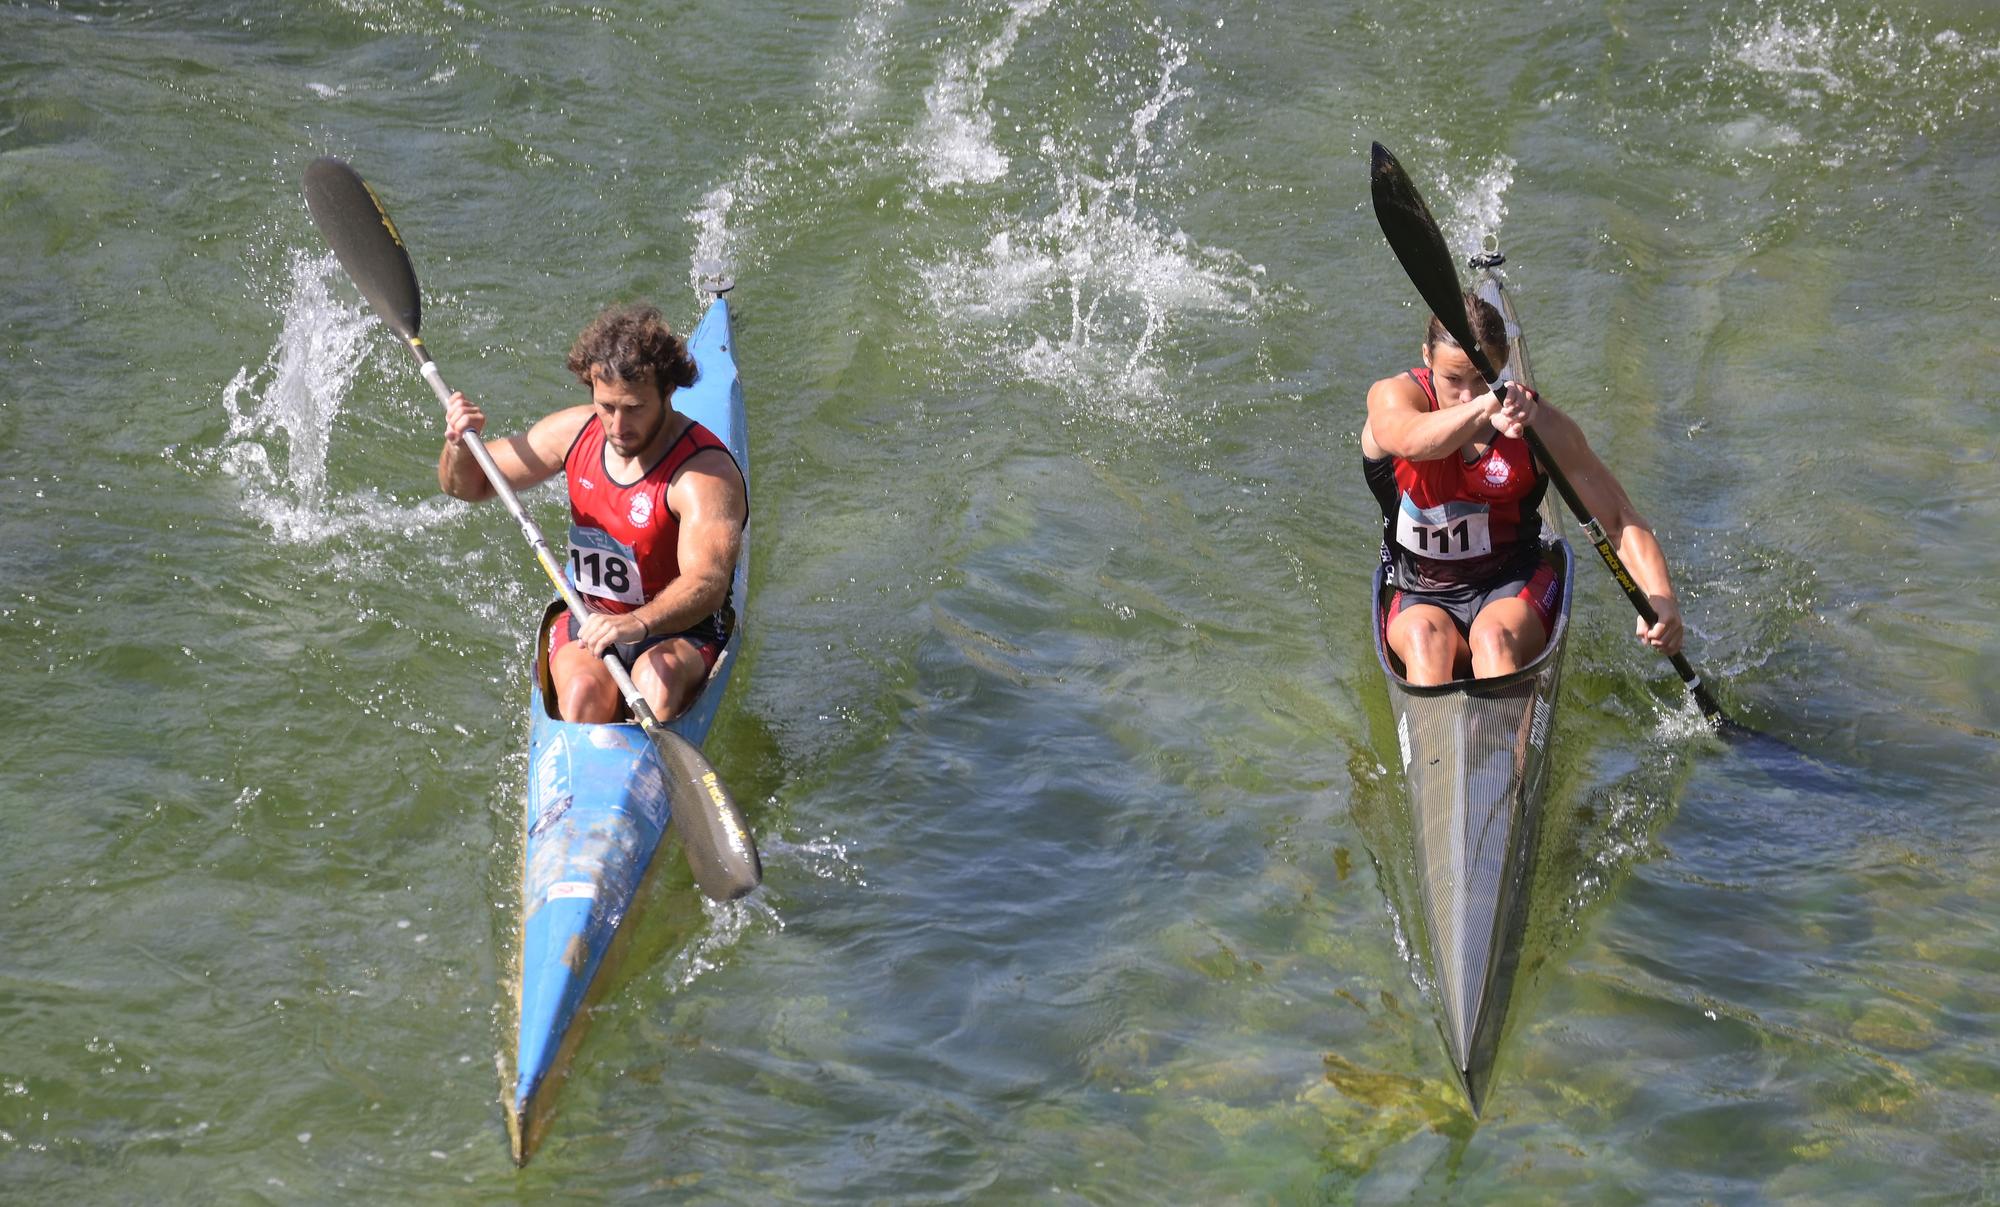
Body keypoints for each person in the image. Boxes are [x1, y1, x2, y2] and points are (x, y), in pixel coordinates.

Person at [439, 303, 746, 723]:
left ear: (669, 392)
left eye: (634, 408)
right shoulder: (573, 432)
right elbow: (466, 485)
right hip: (591, 616)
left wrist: (637, 623)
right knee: (583, 697)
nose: (617, 426)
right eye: (606, 406)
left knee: (657, 686)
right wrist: (458, 444)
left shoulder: (702, 475)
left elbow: (707, 583)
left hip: (682, 630)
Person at [1361, 292, 1683, 686]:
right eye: (1453, 380)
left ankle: (1502, 719)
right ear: (1427, 357)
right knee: (1424, 641)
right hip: (1419, 590)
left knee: (1492, 640)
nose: (1466, 394)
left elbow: (1618, 519)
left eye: (1482, 378)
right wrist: (1485, 407)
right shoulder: (1393, 397)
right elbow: (1412, 441)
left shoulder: (1539, 426)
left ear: (1503, 365)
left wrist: (1660, 597)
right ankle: (1440, 724)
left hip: (1511, 583)